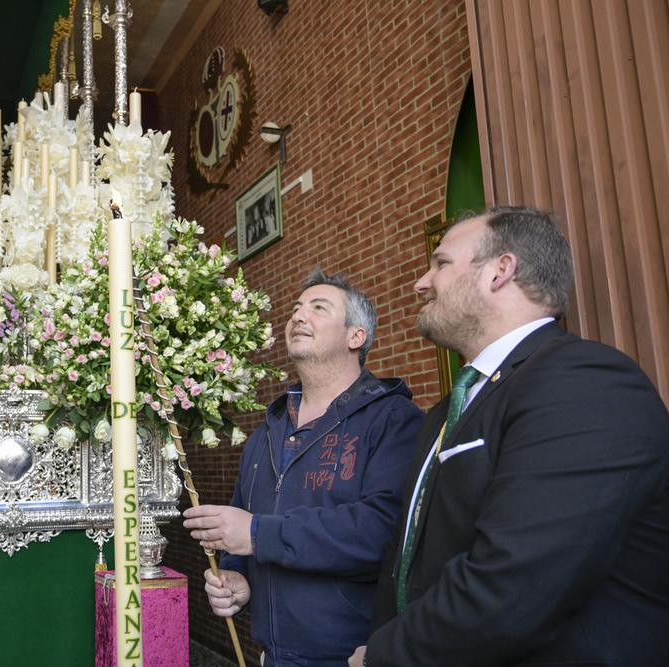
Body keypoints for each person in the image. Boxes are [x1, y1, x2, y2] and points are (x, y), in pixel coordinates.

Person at [352, 207, 669, 666]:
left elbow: (515, 586)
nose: (422, 282)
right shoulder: (447, 409)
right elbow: (405, 556)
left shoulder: (583, 382)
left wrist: (382, 656)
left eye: (440, 263)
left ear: (501, 270)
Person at [184, 269, 424, 666]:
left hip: (352, 656)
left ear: (355, 337)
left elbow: (382, 531)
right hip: (272, 655)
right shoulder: (266, 433)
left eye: (318, 308)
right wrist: (237, 577)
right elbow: (242, 526)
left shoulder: (393, 420)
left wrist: (258, 534)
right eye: (296, 308)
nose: (298, 316)